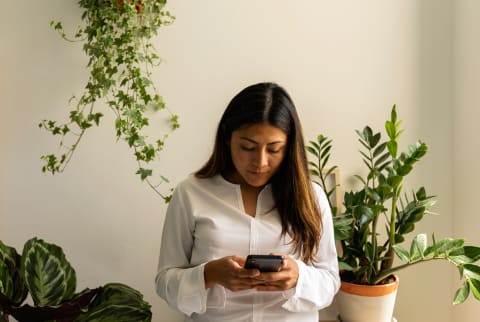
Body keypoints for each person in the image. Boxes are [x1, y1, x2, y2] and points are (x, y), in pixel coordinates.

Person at [155, 82, 340, 322]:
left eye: (273, 149)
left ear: (289, 147)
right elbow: (164, 283)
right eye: (248, 147)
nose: (260, 162)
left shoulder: (311, 197)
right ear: (226, 138)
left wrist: (298, 277)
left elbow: (330, 282)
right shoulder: (191, 194)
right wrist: (208, 274)